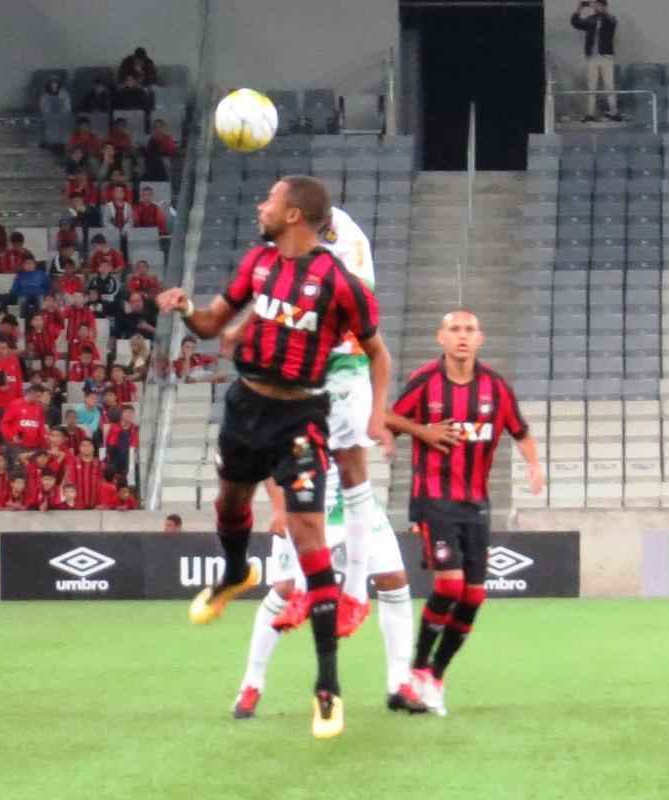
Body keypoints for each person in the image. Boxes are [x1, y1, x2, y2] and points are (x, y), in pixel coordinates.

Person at [155, 174, 389, 739]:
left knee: (310, 535)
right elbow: (213, 324)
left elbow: (377, 353)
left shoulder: (341, 283)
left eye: (270, 199)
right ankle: (235, 573)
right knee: (229, 502)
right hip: (244, 406)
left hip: (301, 419)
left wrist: (378, 413)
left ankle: (327, 688)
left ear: (293, 216)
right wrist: (185, 307)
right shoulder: (258, 262)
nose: (261, 204)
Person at [386, 310, 545, 716]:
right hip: (433, 500)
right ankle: (417, 669)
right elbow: (388, 416)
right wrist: (421, 432)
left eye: (469, 330)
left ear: (480, 339)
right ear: (440, 337)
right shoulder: (425, 382)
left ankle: (436, 675)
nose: (462, 336)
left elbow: (521, 432)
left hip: (476, 505)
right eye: (454, 329)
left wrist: (534, 465)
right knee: (451, 585)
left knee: (474, 595)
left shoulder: (496, 386)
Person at [233, 476, 426, 719]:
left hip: (353, 500)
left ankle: (399, 684)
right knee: (286, 588)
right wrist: (280, 508)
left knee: (393, 578)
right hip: (304, 497)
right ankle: (252, 684)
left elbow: (360, 449)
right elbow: (269, 455)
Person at [571, 0, 621, 122]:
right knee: (591, 86)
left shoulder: (610, 18)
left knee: (609, 85)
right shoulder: (591, 19)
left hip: (606, 58)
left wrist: (601, 10)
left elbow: (612, 22)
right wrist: (579, 8)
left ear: (604, 6)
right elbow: (576, 23)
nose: (595, 7)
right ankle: (590, 114)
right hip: (592, 58)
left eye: (598, 5)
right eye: (595, 5)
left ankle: (614, 112)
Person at [0, 383, 48, 468]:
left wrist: (44, 444)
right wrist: (12, 436)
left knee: (32, 471)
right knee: (19, 471)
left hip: (34, 447)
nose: (39, 399)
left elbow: (41, 427)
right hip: (18, 446)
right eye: (37, 396)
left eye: (40, 397)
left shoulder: (38, 408)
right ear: (31, 393)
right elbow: (4, 424)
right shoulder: (15, 404)